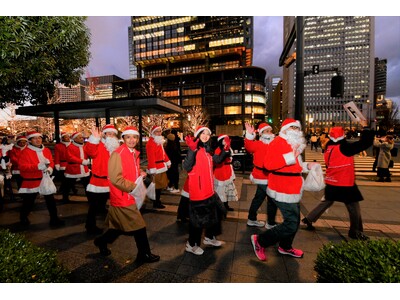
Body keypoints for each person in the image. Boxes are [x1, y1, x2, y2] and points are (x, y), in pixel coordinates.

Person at [250, 119, 319, 261]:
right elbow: (268, 164)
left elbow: (295, 166)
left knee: (294, 220)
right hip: (281, 188)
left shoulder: (293, 144)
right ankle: (260, 240)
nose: (295, 130)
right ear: (285, 129)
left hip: (293, 188)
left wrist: (307, 166)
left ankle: (285, 246)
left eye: (296, 127)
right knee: (291, 222)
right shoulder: (278, 142)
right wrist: (289, 157)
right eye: (292, 127)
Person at [93, 126, 160, 264]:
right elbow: (115, 179)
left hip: (129, 195)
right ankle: (144, 254)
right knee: (139, 226)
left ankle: (101, 241)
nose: (132, 140)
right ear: (122, 138)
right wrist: (134, 187)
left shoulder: (133, 153)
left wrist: (140, 172)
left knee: (117, 228)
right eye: (128, 137)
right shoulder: (118, 153)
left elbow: (130, 170)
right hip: (123, 196)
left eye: (134, 137)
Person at [301, 121, 374, 240]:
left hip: (332, 181)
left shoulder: (329, 147)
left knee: (327, 201)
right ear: (342, 136)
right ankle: (355, 231)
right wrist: (366, 128)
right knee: (354, 207)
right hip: (345, 183)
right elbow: (364, 144)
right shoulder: (344, 147)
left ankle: (309, 219)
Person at [182, 126, 228, 255]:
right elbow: (186, 166)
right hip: (198, 192)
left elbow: (217, 160)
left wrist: (225, 149)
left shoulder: (207, 149)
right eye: (203, 133)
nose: (206, 135)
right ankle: (191, 244)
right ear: (198, 135)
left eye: (208, 133)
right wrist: (191, 150)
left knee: (215, 215)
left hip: (209, 191)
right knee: (197, 221)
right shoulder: (195, 149)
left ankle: (209, 237)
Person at [18, 131, 65, 227]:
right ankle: (23, 218)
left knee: (51, 201)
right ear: (30, 140)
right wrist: (38, 166)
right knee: (28, 203)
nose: (38, 140)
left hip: (45, 179)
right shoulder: (25, 152)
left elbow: (51, 162)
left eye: (39, 138)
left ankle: (54, 219)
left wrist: (50, 168)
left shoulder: (46, 150)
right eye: (34, 138)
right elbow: (22, 167)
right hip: (32, 180)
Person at [84, 124, 120, 234]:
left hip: (112, 181)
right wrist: (94, 138)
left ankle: (115, 224)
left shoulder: (117, 148)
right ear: (103, 134)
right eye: (109, 133)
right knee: (94, 207)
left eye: (113, 134)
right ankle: (90, 226)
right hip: (99, 182)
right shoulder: (98, 144)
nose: (111, 135)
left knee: (110, 204)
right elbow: (89, 151)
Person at [244, 122, 277, 228]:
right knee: (272, 200)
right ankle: (270, 223)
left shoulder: (275, 144)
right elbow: (249, 147)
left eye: (270, 131)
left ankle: (251, 218)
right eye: (266, 131)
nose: (269, 133)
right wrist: (249, 135)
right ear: (261, 133)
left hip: (272, 176)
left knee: (259, 198)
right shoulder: (258, 144)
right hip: (261, 176)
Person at [146, 125, 171, 209]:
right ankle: (156, 202)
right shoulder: (151, 143)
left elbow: (163, 153)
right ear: (153, 133)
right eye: (157, 131)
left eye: (160, 131)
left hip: (161, 166)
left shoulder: (158, 141)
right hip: (156, 168)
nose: (159, 133)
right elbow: (151, 157)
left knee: (159, 186)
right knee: (156, 187)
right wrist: (153, 169)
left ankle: (156, 200)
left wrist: (167, 162)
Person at [63, 131, 91, 202]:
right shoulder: (70, 147)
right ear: (75, 139)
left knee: (87, 186)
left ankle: (90, 200)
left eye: (82, 137)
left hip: (84, 169)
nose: (82, 139)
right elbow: (70, 157)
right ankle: (65, 198)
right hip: (73, 169)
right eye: (80, 137)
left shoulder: (85, 146)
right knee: (68, 185)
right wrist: (82, 161)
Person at [213, 134, 238, 212]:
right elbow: (217, 161)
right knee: (221, 190)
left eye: (227, 139)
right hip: (221, 170)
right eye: (224, 140)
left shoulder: (228, 148)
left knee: (227, 189)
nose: (226, 141)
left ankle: (226, 206)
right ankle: (220, 208)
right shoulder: (218, 149)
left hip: (228, 169)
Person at [54, 131, 77, 199]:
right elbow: (57, 156)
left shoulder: (72, 145)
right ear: (62, 138)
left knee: (71, 179)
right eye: (65, 137)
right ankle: (69, 191)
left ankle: (68, 189)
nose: (67, 138)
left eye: (68, 137)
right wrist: (57, 164)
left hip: (71, 164)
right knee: (66, 180)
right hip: (62, 165)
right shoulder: (58, 146)